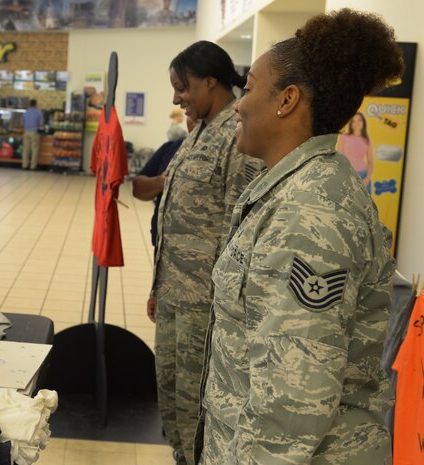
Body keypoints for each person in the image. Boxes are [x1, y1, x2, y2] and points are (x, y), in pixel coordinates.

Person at [198, 9, 403, 465]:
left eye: (249, 88)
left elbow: (290, 403)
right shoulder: (293, 187)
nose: (238, 104)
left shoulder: (310, 211)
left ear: (286, 100)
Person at [150, 41, 263, 465]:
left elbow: (240, 226)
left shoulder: (236, 137)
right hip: (175, 295)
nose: (178, 97)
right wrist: (157, 287)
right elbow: (176, 217)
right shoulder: (198, 131)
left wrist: (227, 309)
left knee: (198, 407)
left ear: (210, 81)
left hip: (206, 305)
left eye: (183, 87)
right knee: (172, 396)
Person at [133, 113, 198, 248]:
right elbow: (138, 187)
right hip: (163, 243)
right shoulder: (171, 148)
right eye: (192, 114)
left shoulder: (230, 154)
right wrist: (160, 182)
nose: (197, 121)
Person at [336, 112, 375, 192]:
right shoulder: (344, 137)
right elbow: (339, 158)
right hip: (347, 175)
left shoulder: (367, 140)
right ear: (351, 124)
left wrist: (367, 178)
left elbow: (370, 162)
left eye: (359, 120)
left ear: (363, 122)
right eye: (353, 121)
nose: (356, 123)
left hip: (363, 176)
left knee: (364, 204)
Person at [22, 99, 44, 170]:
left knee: (25, 149)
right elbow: (41, 124)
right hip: (34, 132)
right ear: (35, 104)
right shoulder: (38, 112)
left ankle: (25, 165)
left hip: (26, 132)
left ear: (30, 104)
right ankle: (33, 166)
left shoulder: (26, 112)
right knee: (34, 149)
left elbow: (22, 123)